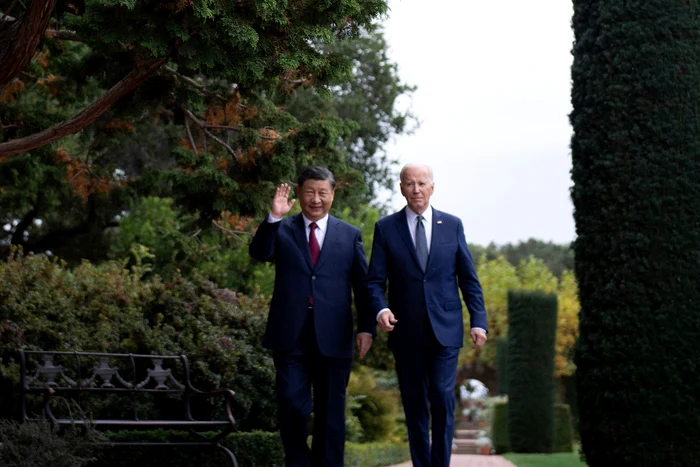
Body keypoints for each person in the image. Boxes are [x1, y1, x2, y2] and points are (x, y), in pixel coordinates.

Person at [249, 166, 375, 467]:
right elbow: (260, 252)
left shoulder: (349, 235)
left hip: (334, 335)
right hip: (291, 334)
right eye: (309, 192)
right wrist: (274, 217)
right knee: (292, 403)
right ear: (299, 192)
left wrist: (367, 328)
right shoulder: (283, 229)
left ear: (332, 194)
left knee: (331, 413)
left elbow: (363, 285)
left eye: (322, 193)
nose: (316, 199)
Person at [367, 163, 488, 467]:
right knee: (415, 404)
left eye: (422, 183)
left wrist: (479, 321)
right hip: (405, 331)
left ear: (432, 187)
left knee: (442, 396)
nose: (416, 190)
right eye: (409, 184)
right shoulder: (385, 228)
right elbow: (375, 281)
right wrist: (381, 309)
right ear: (401, 188)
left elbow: (468, 279)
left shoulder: (453, 225)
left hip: (445, 329)